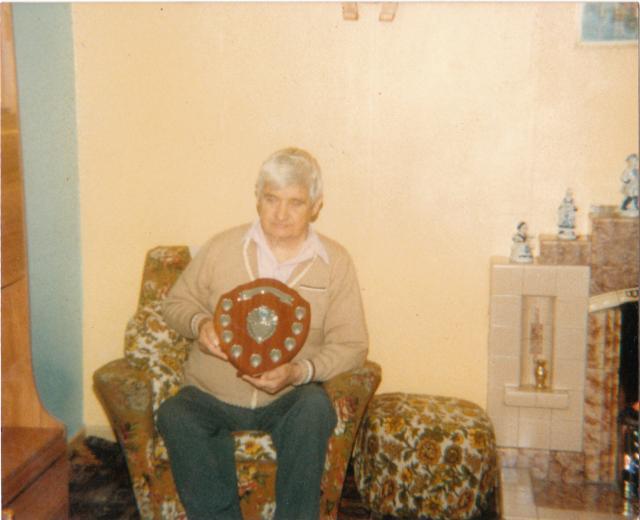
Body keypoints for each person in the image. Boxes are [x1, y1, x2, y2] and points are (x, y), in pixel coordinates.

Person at [157, 147, 369, 520]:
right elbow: (175, 305)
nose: (281, 214)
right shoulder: (222, 247)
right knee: (176, 413)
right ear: (257, 199)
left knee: (314, 407)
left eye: (296, 203)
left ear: (316, 206)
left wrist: (299, 371)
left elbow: (352, 345)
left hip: (287, 397)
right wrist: (199, 324)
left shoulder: (335, 262)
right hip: (211, 393)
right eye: (271, 199)